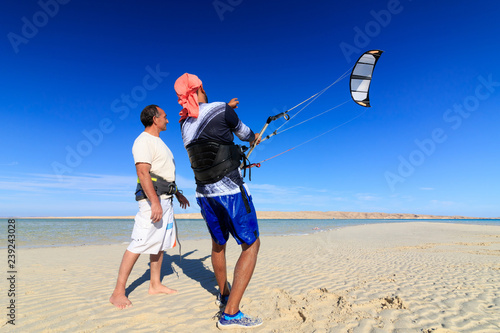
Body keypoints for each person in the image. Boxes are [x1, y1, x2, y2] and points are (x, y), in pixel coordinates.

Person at [174, 73, 263, 329]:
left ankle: (224, 293)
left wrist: (228, 108)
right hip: (230, 191)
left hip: (204, 195)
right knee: (251, 245)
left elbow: (208, 121)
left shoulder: (184, 123)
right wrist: (254, 136)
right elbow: (246, 134)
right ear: (200, 87)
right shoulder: (220, 109)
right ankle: (231, 313)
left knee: (218, 244)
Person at [109, 104, 190, 309]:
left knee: (160, 243)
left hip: (166, 199)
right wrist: (154, 202)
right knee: (138, 244)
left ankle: (155, 284)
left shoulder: (160, 143)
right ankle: (118, 292)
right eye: (164, 116)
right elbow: (143, 173)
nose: (167, 120)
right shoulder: (143, 141)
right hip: (152, 201)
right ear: (155, 119)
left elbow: (163, 173)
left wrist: (178, 193)